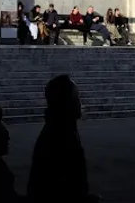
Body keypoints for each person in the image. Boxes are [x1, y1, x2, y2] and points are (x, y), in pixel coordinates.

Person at [27, 74, 99, 203]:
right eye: (76, 98)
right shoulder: (61, 136)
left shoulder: (58, 129)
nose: (80, 103)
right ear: (65, 102)